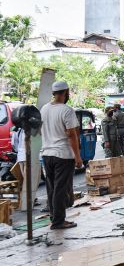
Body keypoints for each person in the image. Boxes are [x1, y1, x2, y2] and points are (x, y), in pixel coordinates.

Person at [41, 81, 81, 229]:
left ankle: (54, 218)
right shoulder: (66, 110)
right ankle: (58, 221)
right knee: (60, 189)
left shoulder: (44, 109)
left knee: (51, 188)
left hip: (47, 154)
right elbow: (72, 135)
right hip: (63, 155)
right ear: (66, 92)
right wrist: (78, 157)